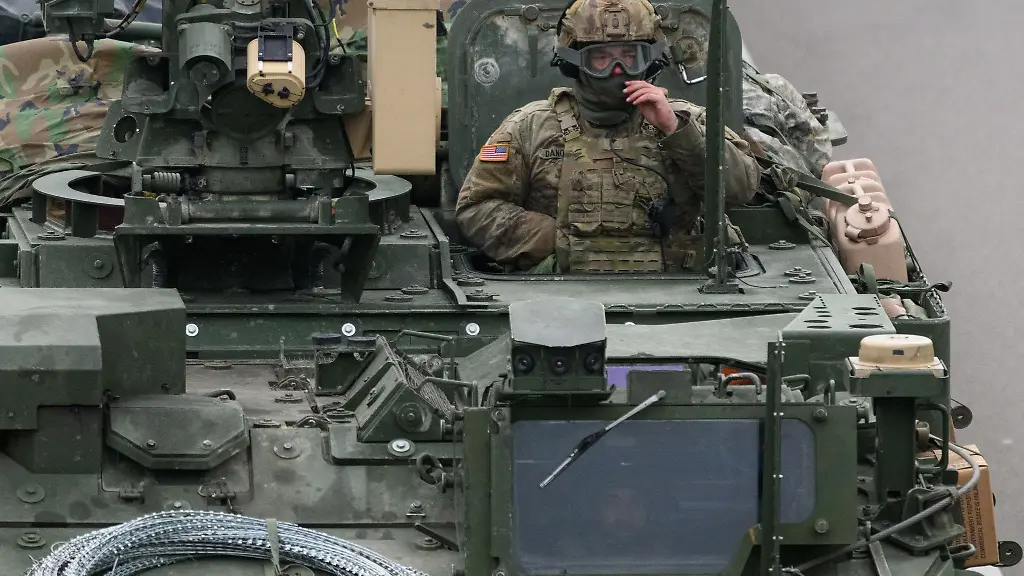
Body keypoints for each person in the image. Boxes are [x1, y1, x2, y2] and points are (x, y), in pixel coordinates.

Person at [455, 0, 762, 275]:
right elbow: (477, 208)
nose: (618, 70)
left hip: (678, 290)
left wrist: (675, 129)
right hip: (563, 298)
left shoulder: (687, 120)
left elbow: (741, 188)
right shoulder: (531, 127)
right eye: (601, 58)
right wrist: (558, 243)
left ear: (650, 59)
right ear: (574, 63)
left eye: (630, 56)